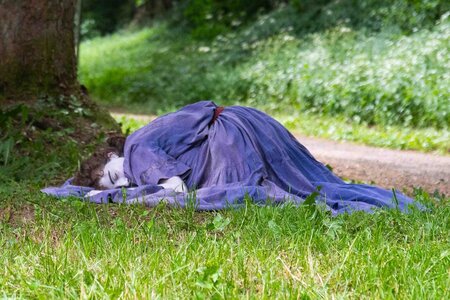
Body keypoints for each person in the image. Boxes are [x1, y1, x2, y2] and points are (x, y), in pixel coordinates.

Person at [46, 101, 420, 214]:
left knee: (276, 193)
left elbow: (173, 187)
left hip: (233, 136)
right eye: (120, 183)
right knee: (310, 186)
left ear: (113, 154)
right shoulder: (151, 139)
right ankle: (396, 203)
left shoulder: (135, 148)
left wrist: (115, 194)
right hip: (250, 124)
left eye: (114, 175)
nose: (126, 178)